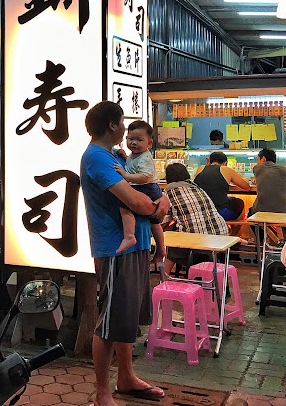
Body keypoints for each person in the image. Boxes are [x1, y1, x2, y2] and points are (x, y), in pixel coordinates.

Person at [80, 101, 168, 405]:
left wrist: (156, 207)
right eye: (123, 125)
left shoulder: (114, 155)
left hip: (135, 244)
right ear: (112, 126)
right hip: (115, 247)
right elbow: (137, 203)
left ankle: (127, 377)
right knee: (109, 320)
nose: (127, 133)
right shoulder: (97, 158)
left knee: (125, 317)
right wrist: (159, 207)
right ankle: (103, 392)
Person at [162, 163, 230, 275]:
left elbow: (163, 213)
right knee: (180, 232)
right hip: (221, 234)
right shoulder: (197, 188)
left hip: (197, 238)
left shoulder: (168, 192)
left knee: (174, 245)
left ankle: (165, 278)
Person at [113, 120, 163, 254]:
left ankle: (129, 236)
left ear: (149, 143)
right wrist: (124, 156)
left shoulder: (144, 158)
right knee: (154, 222)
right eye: (130, 139)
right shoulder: (136, 155)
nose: (134, 143)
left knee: (124, 206)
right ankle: (161, 248)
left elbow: (144, 177)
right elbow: (132, 164)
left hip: (146, 187)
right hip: (150, 188)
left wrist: (125, 175)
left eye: (139, 140)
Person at [194, 151, 249, 221]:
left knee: (230, 199)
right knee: (240, 203)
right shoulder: (226, 169)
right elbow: (246, 187)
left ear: (209, 161)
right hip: (220, 212)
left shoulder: (200, 169)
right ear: (225, 163)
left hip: (201, 211)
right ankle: (234, 231)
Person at [250, 148, 286, 215]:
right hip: (282, 212)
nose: (257, 162)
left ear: (263, 159)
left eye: (258, 160)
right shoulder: (285, 170)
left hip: (260, 212)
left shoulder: (256, 168)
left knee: (249, 213)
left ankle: (259, 225)